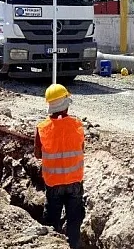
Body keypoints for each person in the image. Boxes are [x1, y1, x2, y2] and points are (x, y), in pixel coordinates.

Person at [34, 84, 85, 249]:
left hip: (54, 184)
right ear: (66, 104)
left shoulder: (42, 128)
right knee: (74, 221)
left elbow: (37, 154)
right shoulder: (77, 125)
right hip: (74, 182)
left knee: (52, 222)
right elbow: (81, 148)